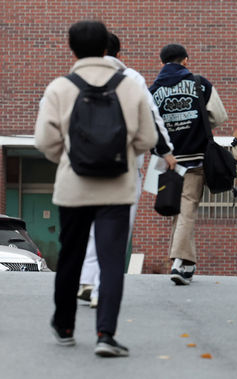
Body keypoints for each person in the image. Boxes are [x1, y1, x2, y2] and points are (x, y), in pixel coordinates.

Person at [35, 20, 157, 356]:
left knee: (71, 256)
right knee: (112, 261)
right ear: (107, 49)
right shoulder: (130, 85)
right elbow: (148, 138)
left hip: (73, 188)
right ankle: (106, 334)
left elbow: (45, 141)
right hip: (117, 188)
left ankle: (65, 326)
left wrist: (71, 159)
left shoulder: (61, 87)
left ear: (71, 49)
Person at [77, 32, 175, 307]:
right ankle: (100, 290)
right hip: (125, 164)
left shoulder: (78, 77)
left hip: (88, 165)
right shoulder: (131, 78)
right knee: (116, 228)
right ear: (119, 55)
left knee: (95, 224)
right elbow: (151, 115)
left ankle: (86, 278)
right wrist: (165, 151)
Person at [149, 43, 228, 285]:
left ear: (162, 63)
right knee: (186, 209)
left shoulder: (152, 90)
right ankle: (180, 262)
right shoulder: (199, 83)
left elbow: (148, 124)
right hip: (195, 158)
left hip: (166, 161)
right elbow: (218, 115)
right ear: (185, 60)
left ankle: (187, 263)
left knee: (178, 209)